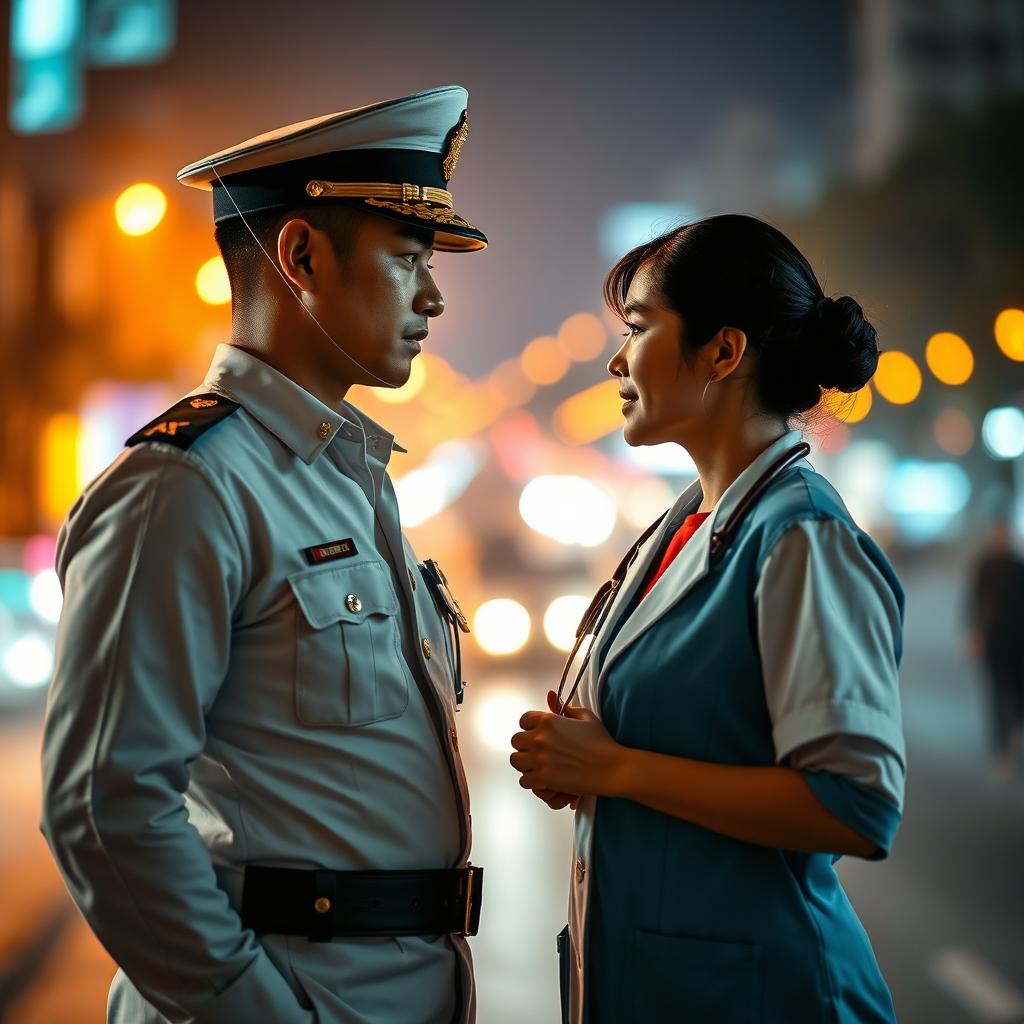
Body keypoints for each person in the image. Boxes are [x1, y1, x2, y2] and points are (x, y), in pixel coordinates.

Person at [41, 85, 485, 1024]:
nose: (434, 296)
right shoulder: (187, 484)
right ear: (300, 256)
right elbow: (103, 808)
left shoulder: (349, 474)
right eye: (408, 261)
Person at [510, 215, 906, 1023]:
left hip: (773, 996)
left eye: (638, 328)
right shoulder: (681, 525)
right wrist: (582, 767)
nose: (616, 360)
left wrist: (615, 771)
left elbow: (855, 806)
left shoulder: (800, 535)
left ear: (723, 352)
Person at [965, 516, 1024, 780]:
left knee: (1017, 695)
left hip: (1018, 641)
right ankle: (1002, 751)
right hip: (994, 641)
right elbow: (975, 602)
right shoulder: (985, 566)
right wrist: (974, 636)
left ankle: (1013, 743)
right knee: (997, 695)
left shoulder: (1018, 566)